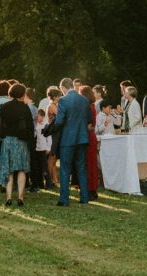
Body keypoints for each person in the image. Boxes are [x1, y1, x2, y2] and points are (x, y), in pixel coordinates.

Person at [0, 83, 35, 207]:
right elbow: (30, 127)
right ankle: (20, 197)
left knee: (9, 171)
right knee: (22, 170)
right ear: (22, 94)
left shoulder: (4, 106)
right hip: (21, 141)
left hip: (7, 141)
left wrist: (2, 137)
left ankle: (8, 197)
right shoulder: (25, 108)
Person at [55, 78, 91, 206]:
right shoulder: (84, 100)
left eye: (61, 90)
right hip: (82, 138)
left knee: (65, 169)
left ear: (64, 88)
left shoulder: (63, 100)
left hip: (68, 139)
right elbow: (88, 119)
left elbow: (59, 121)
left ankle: (64, 200)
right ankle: (84, 198)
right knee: (81, 168)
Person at [78, 85, 101, 201]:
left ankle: (91, 190)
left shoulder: (88, 107)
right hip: (90, 137)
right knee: (90, 164)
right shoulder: (91, 106)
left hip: (88, 136)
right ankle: (91, 189)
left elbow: (89, 125)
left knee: (89, 164)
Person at [33, 109, 51, 192]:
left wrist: (48, 148)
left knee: (44, 167)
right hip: (36, 149)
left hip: (43, 149)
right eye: (38, 117)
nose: (39, 119)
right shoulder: (35, 125)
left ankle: (48, 183)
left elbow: (49, 138)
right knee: (37, 167)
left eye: (41, 117)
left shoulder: (45, 126)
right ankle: (40, 184)